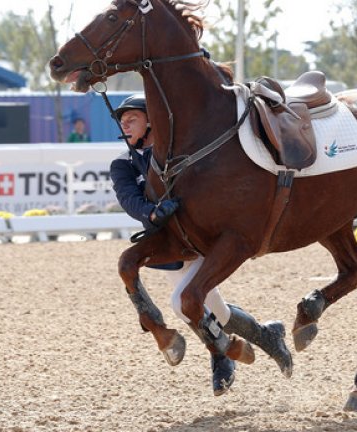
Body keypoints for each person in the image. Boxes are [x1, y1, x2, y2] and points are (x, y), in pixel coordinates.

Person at [109, 94, 291, 396]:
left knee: (182, 302)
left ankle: (222, 356)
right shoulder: (123, 163)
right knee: (211, 310)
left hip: (204, 237)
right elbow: (129, 199)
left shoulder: (181, 153)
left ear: (150, 120)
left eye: (132, 119)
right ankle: (264, 335)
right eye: (122, 121)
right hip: (169, 244)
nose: (124, 125)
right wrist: (151, 213)